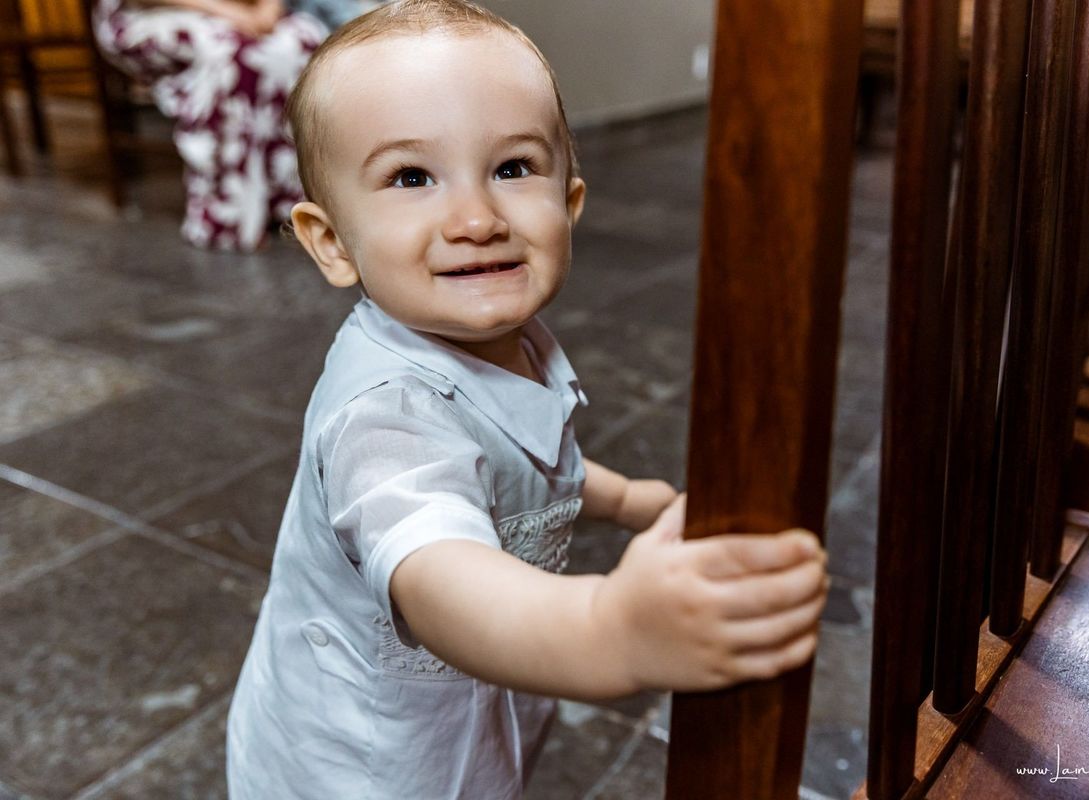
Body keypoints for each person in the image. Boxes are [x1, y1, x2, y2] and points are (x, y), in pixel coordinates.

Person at [225, 1, 830, 797]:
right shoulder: (384, 422)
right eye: (411, 177)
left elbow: (528, 461)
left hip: (461, 729)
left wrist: (628, 500)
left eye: (512, 168)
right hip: (355, 769)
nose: (476, 219)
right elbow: (440, 582)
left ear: (568, 206)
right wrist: (612, 632)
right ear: (333, 242)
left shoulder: (512, 341)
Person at [92, 0, 327, 251]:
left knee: (307, 37)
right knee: (232, 54)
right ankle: (228, 212)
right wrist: (229, 12)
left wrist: (267, 11)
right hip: (147, 11)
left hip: (242, 10)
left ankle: (290, 198)